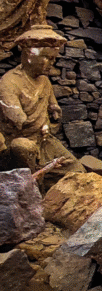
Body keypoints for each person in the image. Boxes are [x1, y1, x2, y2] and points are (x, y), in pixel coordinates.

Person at [0, 24, 79, 177]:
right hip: (18, 145)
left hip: (43, 142)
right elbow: (19, 121)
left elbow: (53, 109)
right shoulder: (8, 83)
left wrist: (54, 114)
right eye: (48, 58)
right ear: (30, 55)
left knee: (76, 170)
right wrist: (42, 124)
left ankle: (44, 180)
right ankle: (35, 185)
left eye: (54, 58)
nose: (52, 63)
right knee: (22, 147)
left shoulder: (44, 81)